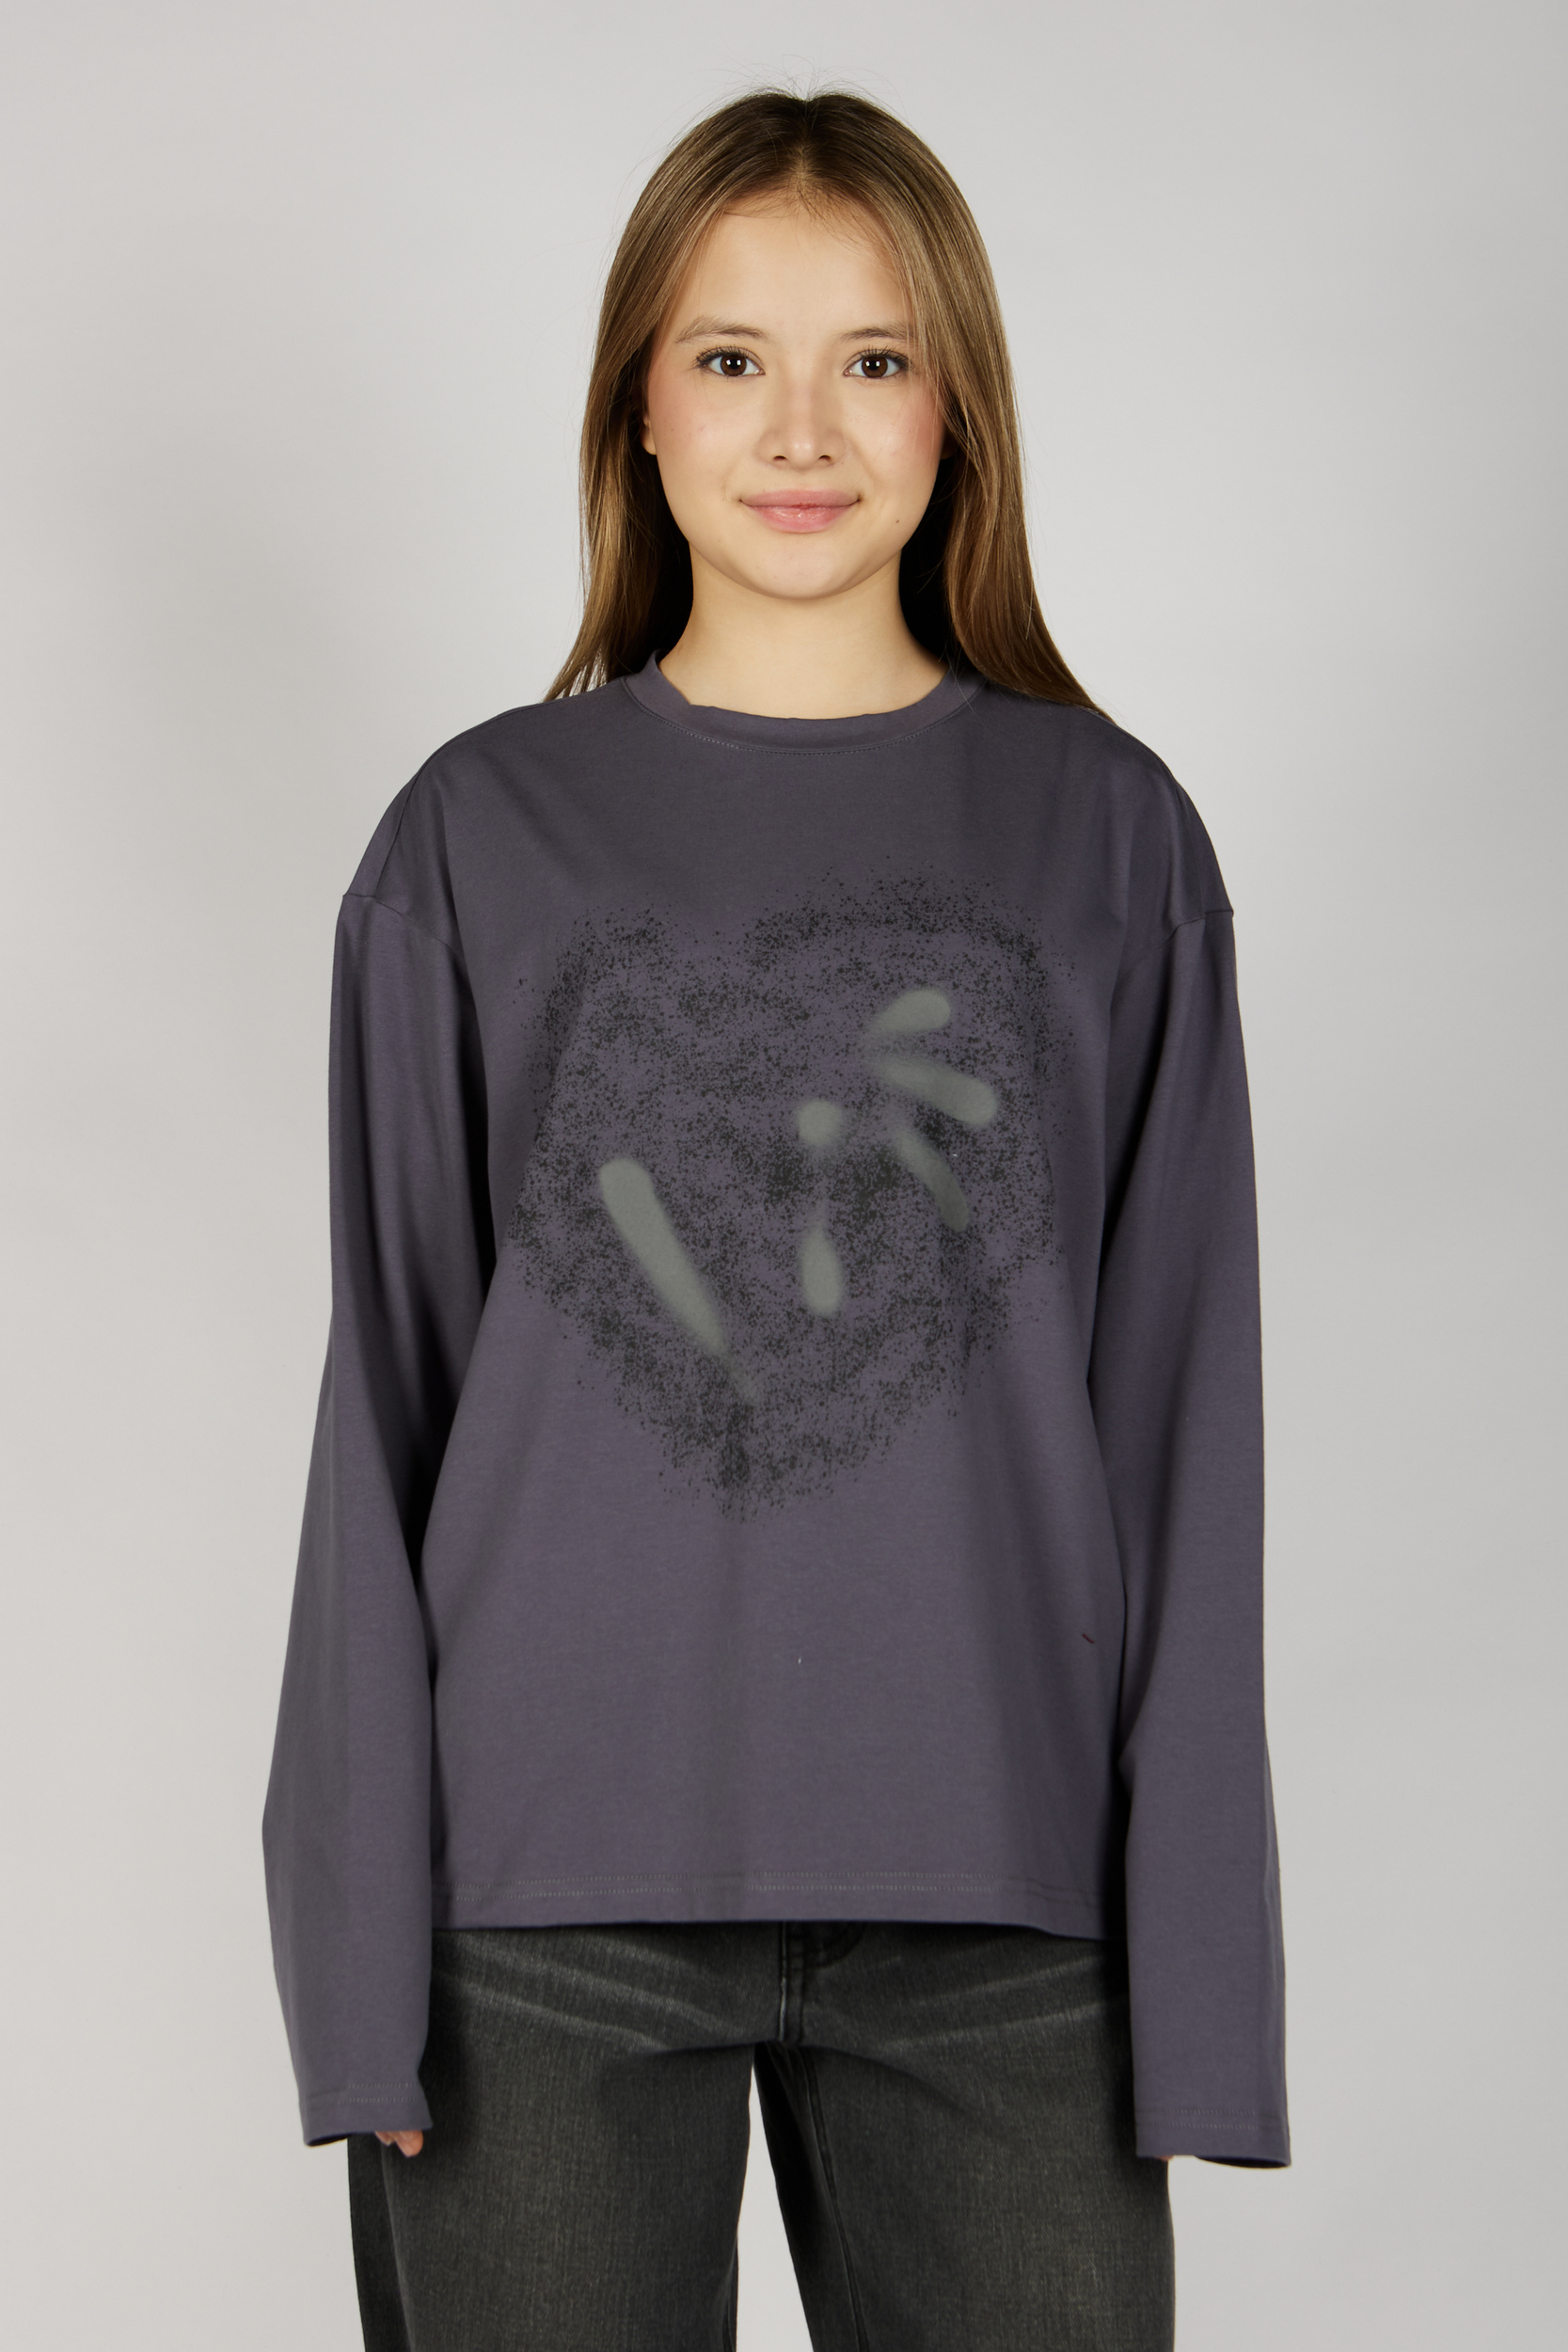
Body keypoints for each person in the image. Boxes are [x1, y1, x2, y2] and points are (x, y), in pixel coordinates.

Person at [263, 86, 1289, 2352]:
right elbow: (387, 1411)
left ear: (958, 407)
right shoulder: (473, 837)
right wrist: (356, 1964)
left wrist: (1203, 1980)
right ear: (638, 404)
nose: (801, 427)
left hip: (1010, 1909)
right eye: (731, 356)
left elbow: (1181, 1422)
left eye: (875, 358)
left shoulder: (1114, 840)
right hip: (536, 1913)